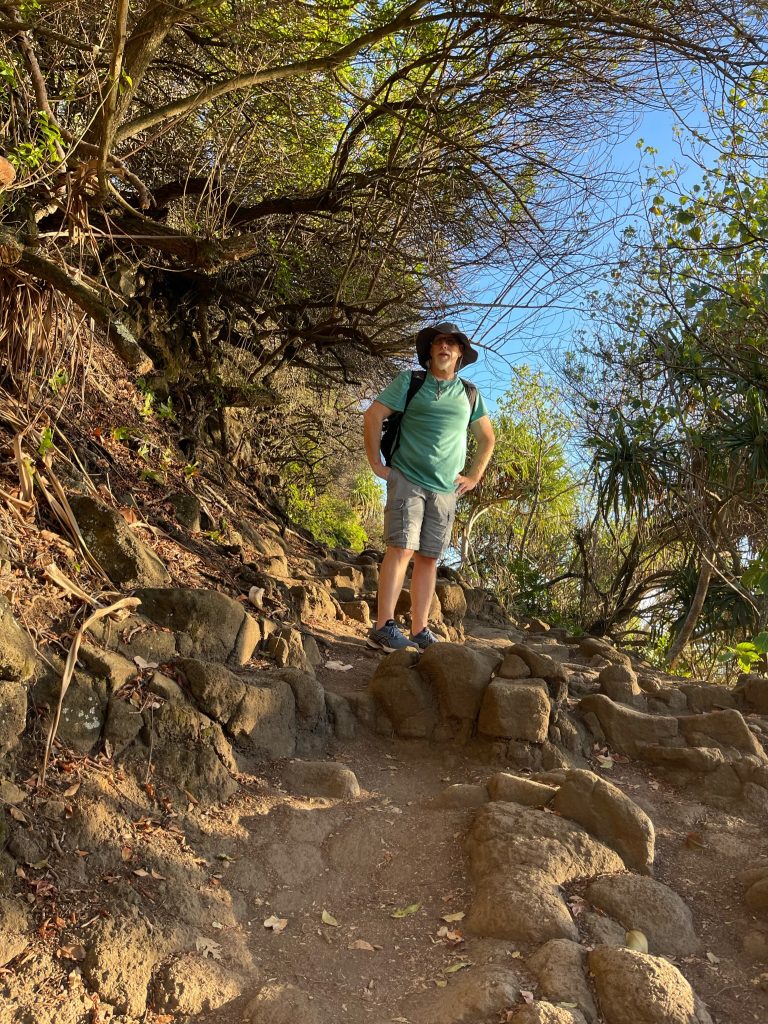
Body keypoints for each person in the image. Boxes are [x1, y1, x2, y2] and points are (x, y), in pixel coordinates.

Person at [362, 322, 495, 651]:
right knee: (401, 548)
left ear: (460, 352)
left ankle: (420, 629)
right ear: (430, 350)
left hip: (445, 490)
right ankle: (383, 626)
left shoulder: (469, 393)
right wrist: (376, 464)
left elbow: (486, 438)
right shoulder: (411, 382)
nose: (444, 347)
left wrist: (475, 476)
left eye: (451, 343)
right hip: (407, 477)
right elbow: (373, 415)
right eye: (438, 342)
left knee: (429, 557)